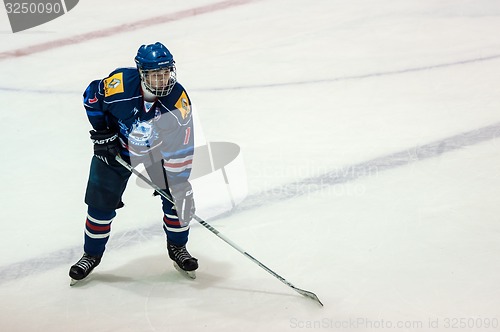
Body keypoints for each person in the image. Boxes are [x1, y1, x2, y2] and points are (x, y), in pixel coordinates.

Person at [69, 42, 198, 282]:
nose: (163, 80)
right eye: (155, 75)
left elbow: (182, 145)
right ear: (141, 73)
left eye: (166, 73)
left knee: (177, 199)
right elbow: (91, 97)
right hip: (117, 148)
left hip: (158, 153)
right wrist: (102, 133)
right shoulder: (119, 86)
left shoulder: (177, 100)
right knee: (100, 204)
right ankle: (91, 255)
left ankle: (178, 248)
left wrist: (175, 181)